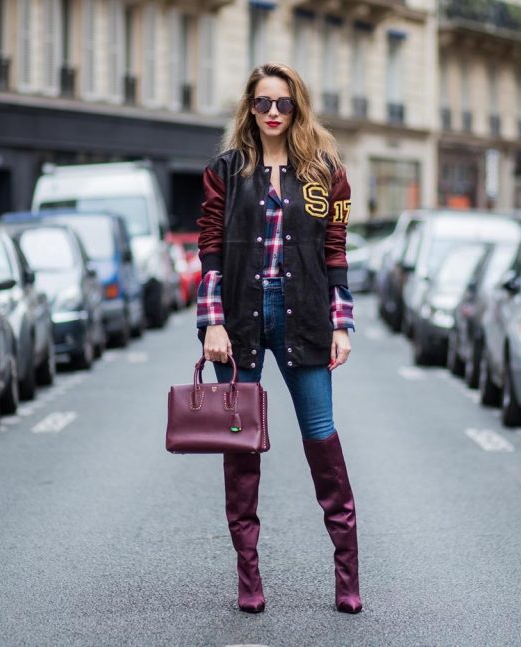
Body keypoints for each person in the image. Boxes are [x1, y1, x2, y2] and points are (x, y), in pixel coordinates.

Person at [195, 62, 362, 614]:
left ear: (298, 108)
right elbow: (211, 251)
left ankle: (346, 576)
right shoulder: (225, 170)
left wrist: (342, 323)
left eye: (283, 104)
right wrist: (211, 321)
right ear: (249, 107)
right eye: (263, 103)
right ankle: (248, 576)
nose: (272, 112)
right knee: (240, 447)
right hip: (239, 318)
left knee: (322, 439)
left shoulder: (327, 172)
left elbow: (335, 251)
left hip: (306, 316)